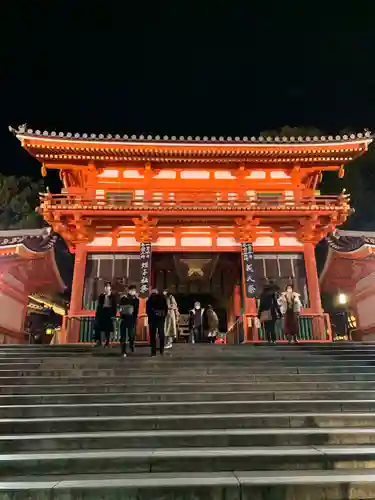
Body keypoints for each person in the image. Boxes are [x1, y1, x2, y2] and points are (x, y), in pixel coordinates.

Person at [94, 281, 117, 347]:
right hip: (102, 312)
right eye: (105, 286)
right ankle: (99, 342)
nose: (106, 288)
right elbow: (99, 305)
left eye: (108, 286)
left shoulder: (113, 296)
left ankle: (107, 342)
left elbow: (114, 306)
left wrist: (113, 315)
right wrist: (97, 314)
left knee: (108, 328)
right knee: (99, 327)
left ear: (110, 288)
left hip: (109, 312)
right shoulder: (101, 296)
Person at [146, 289, 168, 356]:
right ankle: (161, 350)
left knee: (153, 336)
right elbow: (166, 309)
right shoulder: (162, 299)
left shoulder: (149, 300)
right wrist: (163, 317)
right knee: (161, 335)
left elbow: (148, 311)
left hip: (152, 320)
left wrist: (152, 315)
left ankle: (153, 352)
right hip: (160, 319)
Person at [119, 285, 139, 357]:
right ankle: (123, 351)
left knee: (131, 334)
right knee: (123, 336)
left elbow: (136, 310)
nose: (133, 291)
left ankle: (131, 344)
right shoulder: (124, 298)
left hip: (131, 319)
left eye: (134, 290)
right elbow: (120, 307)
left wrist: (135, 318)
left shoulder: (136, 299)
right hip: (124, 318)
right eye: (132, 290)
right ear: (129, 290)